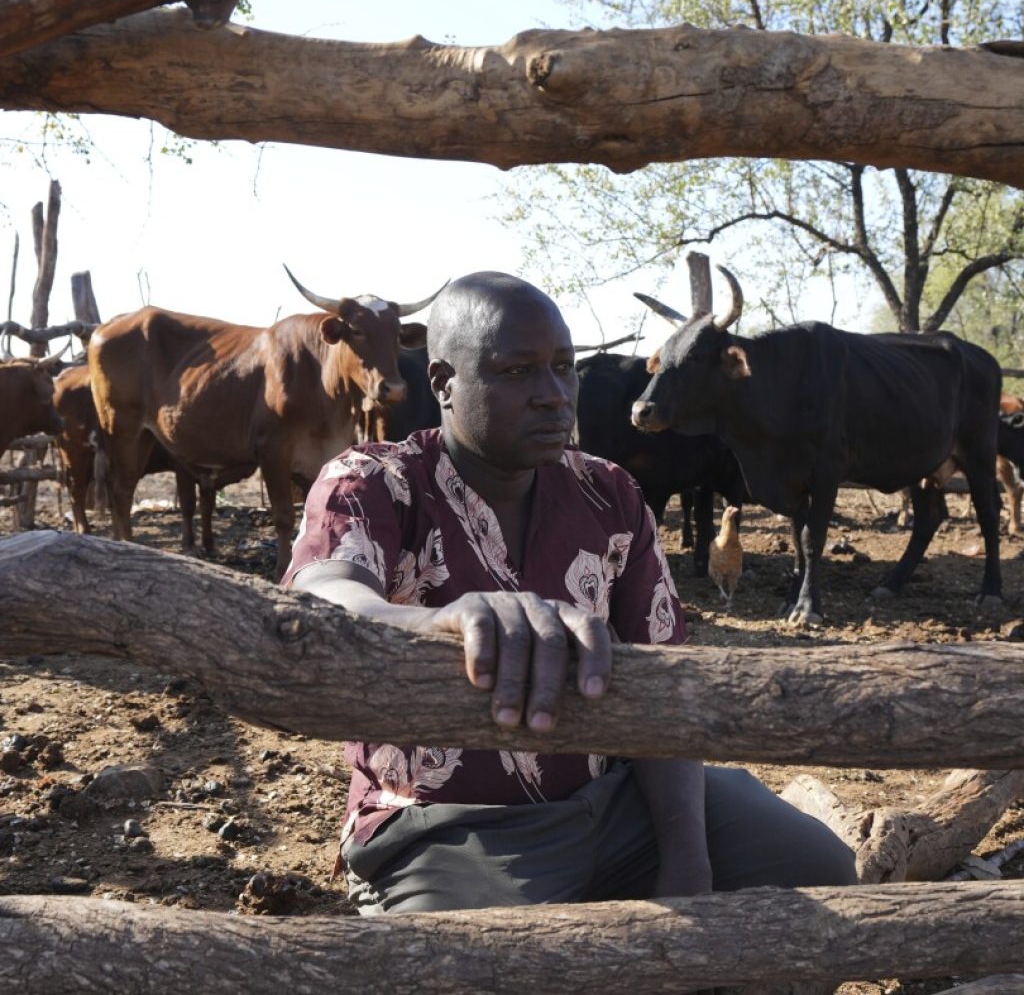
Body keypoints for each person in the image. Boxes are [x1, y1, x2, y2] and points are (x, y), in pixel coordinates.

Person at [284, 270, 857, 915]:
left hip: (615, 799)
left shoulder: (607, 494)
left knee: (819, 872)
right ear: (444, 383)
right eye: (519, 372)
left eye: (564, 368)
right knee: (483, 968)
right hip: (448, 826)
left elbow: (665, 687)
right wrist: (438, 620)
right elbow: (324, 593)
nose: (555, 396)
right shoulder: (374, 482)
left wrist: (687, 859)